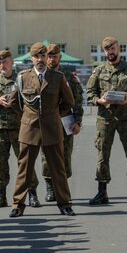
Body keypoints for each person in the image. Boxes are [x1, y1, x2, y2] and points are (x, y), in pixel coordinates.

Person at [8, 42, 75, 217]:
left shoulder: (57, 77)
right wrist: (25, 117)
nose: (40, 59)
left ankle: (65, 204)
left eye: (43, 56)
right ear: (31, 58)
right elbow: (14, 102)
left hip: (52, 129)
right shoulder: (23, 77)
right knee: (25, 169)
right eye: (36, 56)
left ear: (47, 57)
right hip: (29, 129)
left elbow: (69, 102)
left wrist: (54, 115)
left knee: (58, 168)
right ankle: (18, 204)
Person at [86, 36, 127, 205]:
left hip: (126, 118)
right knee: (102, 154)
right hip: (105, 119)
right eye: (107, 49)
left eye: (112, 48)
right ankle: (102, 192)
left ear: (118, 48)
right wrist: (100, 101)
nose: (110, 52)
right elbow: (89, 93)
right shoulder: (98, 71)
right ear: (103, 51)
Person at [0, 49, 40, 208]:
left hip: (20, 127)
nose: (2, 65)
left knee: (25, 161)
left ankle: (32, 193)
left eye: (5, 62)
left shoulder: (21, 79)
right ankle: (1, 195)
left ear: (11, 62)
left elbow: (32, 99)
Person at [41, 44, 83, 202]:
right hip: (47, 121)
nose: (51, 59)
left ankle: (62, 188)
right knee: (46, 155)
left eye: (54, 56)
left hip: (66, 121)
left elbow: (77, 100)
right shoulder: (42, 74)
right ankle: (50, 188)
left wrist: (78, 121)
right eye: (49, 56)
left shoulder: (68, 76)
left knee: (65, 155)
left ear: (60, 57)